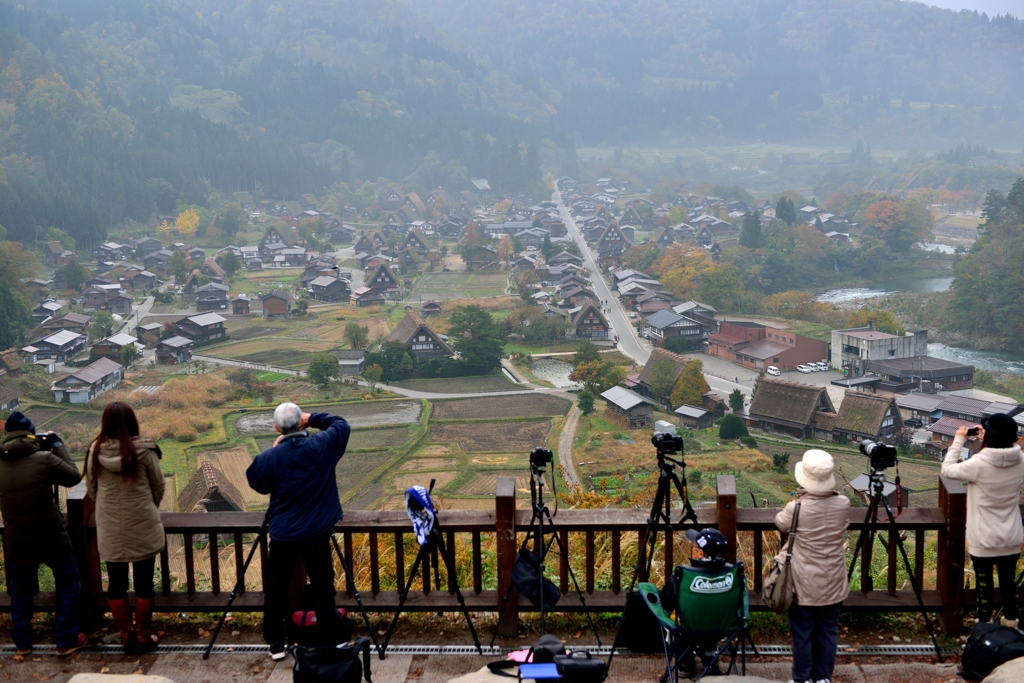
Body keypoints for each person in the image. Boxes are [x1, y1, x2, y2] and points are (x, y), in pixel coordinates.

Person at [247, 402, 350, 660]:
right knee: (323, 587)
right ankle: (331, 640)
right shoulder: (320, 447)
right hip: (317, 530)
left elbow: (257, 482)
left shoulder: (270, 457)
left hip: (283, 533)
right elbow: (341, 425)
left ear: (276, 428)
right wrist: (313, 417)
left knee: (276, 588)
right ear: (302, 423)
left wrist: (274, 451)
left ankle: (275, 643)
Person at [0, 412, 87, 655]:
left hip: (16, 536)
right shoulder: (43, 460)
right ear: (32, 435)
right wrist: (57, 446)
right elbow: (73, 477)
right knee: (68, 582)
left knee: (20, 589)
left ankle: (22, 643)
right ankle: (65, 638)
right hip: (50, 534)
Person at [84, 402, 166, 652]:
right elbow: (158, 486)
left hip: (110, 528)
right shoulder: (145, 451)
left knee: (116, 583)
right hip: (142, 524)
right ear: (133, 422)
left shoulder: (95, 451)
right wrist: (147, 508)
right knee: (144, 582)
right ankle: (143, 635)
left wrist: (107, 512)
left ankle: (125, 635)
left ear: (104, 423)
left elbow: (92, 489)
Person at [940, 413, 1024, 627]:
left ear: (991, 436)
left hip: (984, 537)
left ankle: (984, 631)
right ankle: (1011, 631)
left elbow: (947, 470)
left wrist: (959, 439)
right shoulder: (1020, 460)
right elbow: (1002, 451)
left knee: (984, 588)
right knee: (1008, 587)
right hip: (1011, 536)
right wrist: (988, 439)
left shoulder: (978, 463)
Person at [774, 449, 850, 683]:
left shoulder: (795, 508)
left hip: (802, 581)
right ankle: (823, 678)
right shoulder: (843, 504)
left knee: (803, 632)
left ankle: (802, 678)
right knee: (828, 631)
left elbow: (780, 523)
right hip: (834, 579)